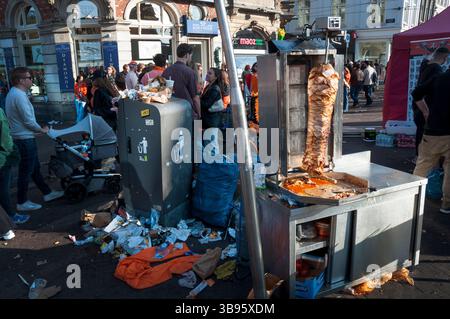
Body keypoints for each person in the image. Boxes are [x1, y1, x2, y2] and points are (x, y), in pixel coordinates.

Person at [5, 67, 64, 211]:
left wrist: (36, 131)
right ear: (20, 80)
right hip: (24, 140)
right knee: (26, 171)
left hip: (24, 137)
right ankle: (22, 201)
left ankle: (47, 192)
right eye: (29, 77)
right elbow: (28, 121)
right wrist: (41, 130)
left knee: (34, 168)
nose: (32, 79)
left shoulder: (15, 94)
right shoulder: (18, 95)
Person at [412, 68, 450, 214]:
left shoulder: (439, 78)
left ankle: (410, 196)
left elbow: (416, 94)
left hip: (433, 130)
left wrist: (426, 111)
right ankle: (446, 205)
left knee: (423, 165)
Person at [413, 47, 449, 158]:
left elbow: (417, 92)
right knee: (426, 137)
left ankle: (419, 157)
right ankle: (421, 158)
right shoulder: (437, 70)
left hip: (419, 107)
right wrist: (426, 111)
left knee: (421, 134)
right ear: (445, 57)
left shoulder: (425, 66)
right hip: (427, 108)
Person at [0, 106, 29, 224]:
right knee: (3, 188)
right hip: (2, 158)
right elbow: (5, 138)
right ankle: (9, 216)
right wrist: (14, 153)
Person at [162, 44, 201, 119]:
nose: (190, 58)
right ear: (186, 55)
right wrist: (199, 114)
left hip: (170, 112)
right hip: (187, 112)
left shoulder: (166, 71)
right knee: (195, 130)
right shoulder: (189, 72)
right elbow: (195, 98)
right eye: (191, 56)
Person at [201, 67, 225, 155]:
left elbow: (206, 104)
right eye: (207, 72)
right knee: (210, 144)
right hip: (210, 120)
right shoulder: (209, 86)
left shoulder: (214, 88)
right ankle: (213, 164)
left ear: (215, 77)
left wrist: (196, 98)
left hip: (212, 121)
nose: (207, 74)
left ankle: (215, 165)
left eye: (210, 73)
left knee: (211, 145)